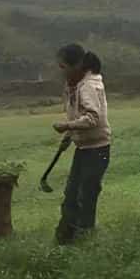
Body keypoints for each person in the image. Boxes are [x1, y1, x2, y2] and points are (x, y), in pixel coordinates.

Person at [52, 44, 111, 244]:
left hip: (97, 150)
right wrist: (69, 135)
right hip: (84, 148)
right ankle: (65, 239)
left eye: (63, 66)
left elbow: (93, 118)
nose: (61, 71)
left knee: (85, 196)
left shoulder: (88, 86)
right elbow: (80, 116)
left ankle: (85, 238)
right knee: (71, 194)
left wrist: (67, 125)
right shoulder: (74, 86)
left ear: (76, 65)